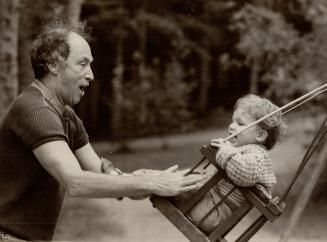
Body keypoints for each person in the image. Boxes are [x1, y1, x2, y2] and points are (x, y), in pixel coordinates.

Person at [0, 19, 206, 241]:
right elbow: (76, 182)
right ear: (53, 64)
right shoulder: (35, 110)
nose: (91, 75)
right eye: (82, 63)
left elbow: (100, 173)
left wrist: (153, 179)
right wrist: (150, 183)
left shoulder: (66, 117)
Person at [177, 94, 287, 233]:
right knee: (184, 178)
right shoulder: (245, 151)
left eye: (240, 123)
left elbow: (244, 174)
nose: (231, 126)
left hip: (211, 213)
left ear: (259, 135)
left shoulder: (257, 155)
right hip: (209, 207)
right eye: (233, 121)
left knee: (173, 183)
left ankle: (151, 182)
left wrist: (225, 151)